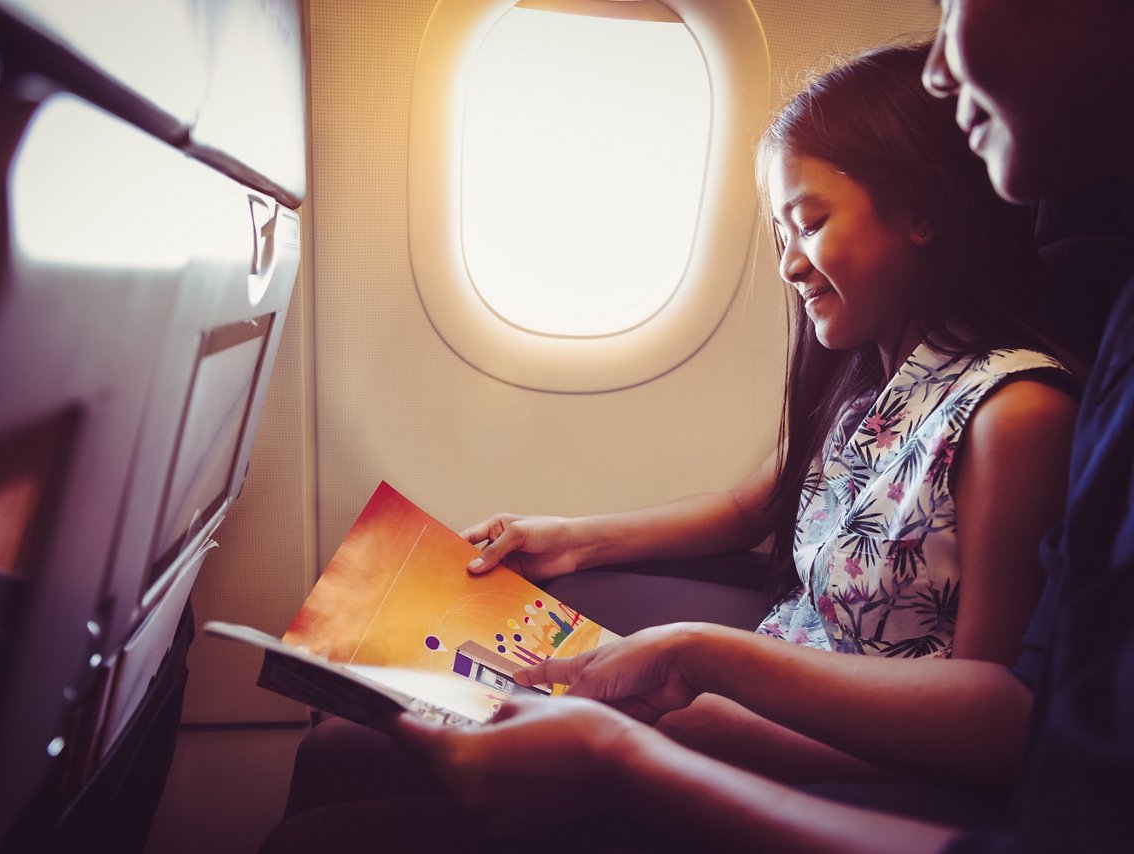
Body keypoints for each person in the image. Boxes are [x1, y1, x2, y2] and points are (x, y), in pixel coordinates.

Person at [265, 0, 1134, 850]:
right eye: (780, 229)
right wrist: (570, 539)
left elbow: (980, 723)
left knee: (340, 803)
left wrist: (695, 711)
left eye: (812, 222)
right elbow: (743, 506)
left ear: (920, 213)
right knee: (337, 746)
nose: (790, 263)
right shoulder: (874, 387)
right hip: (746, 693)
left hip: (835, 749)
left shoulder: (1013, 414)